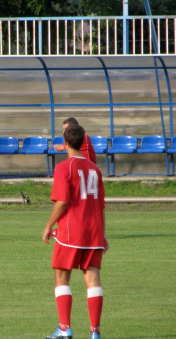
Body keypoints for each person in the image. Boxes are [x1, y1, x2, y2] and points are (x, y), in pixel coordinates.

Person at [42, 124, 109, 339]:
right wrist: (102, 232)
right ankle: (95, 332)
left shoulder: (64, 168)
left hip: (71, 231)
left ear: (66, 141)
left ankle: (64, 328)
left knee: (62, 277)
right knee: (93, 279)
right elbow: (100, 205)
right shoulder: (95, 169)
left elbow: (62, 202)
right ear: (83, 141)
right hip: (94, 231)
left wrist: (48, 225)